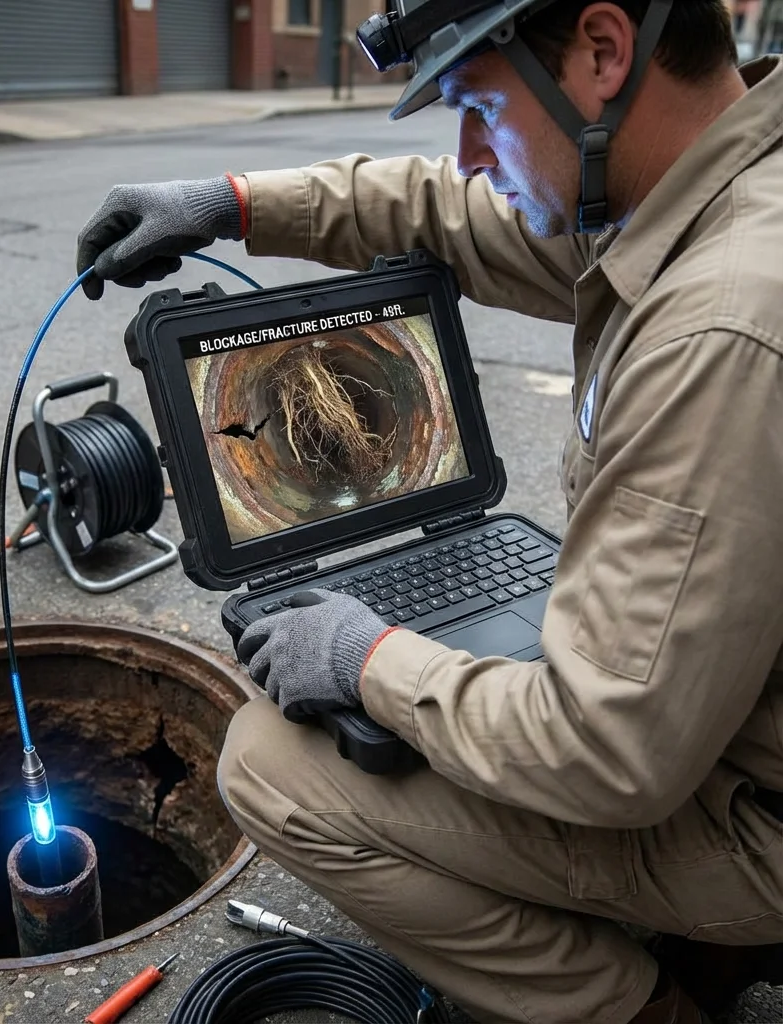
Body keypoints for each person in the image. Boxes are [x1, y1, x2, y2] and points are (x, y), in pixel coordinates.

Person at [75, 1, 783, 1020]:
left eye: (475, 105)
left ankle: (637, 1004)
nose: (465, 153)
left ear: (601, 51)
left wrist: (366, 657)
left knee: (273, 767)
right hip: (741, 724)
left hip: (753, 821)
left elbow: (609, 753)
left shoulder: (720, 327)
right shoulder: (712, 191)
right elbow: (444, 215)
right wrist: (230, 202)